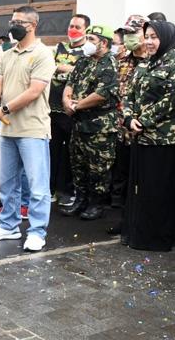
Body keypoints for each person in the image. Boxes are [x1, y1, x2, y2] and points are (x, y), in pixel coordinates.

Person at [0, 7, 56, 252]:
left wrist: (3, 110)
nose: (12, 26)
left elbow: (34, 92)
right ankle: (9, 225)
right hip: (7, 130)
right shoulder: (7, 54)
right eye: (12, 21)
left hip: (32, 129)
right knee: (8, 183)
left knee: (37, 185)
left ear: (31, 25)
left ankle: (36, 232)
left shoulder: (43, 54)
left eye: (18, 22)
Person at [122, 20, 175, 250]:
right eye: (147, 37)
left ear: (167, 39)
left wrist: (143, 119)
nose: (149, 42)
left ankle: (158, 239)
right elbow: (128, 94)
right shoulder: (144, 65)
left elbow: (172, 100)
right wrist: (129, 118)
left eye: (154, 37)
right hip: (140, 136)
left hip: (164, 139)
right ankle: (138, 235)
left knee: (159, 190)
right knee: (140, 190)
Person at [60, 25, 119, 220]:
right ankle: (80, 200)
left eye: (92, 39)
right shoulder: (84, 61)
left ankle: (96, 204)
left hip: (99, 126)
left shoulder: (110, 64)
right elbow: (70, 82)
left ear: (104, 43)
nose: (87, 43)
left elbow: (102, 95)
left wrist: (77, 106)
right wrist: (67, 101)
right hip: (79, 124)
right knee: (78, 164)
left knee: (99, 168)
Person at [108, 15, 149, 235]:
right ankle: (124, 220)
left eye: (134, 33)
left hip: (144, 130)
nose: (130, 38)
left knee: (142, 179)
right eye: (127, 34)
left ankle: (141, 222)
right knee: (122, 178)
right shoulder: (121, 62)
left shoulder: (155, 61)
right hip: (121, 130)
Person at [49, 14, 90, 207]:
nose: (73, 29)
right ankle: (50, 189)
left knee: (70, 153)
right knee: (52, 151)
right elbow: (50, 67)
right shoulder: (60, 47)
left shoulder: (87, 51)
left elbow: (83, 73)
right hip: (52, 108)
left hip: (72, 110)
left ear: (86, 30)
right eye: (71, 25)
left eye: (78, 27)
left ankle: (67, 191)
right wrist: (61, 67)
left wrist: (66, 68)